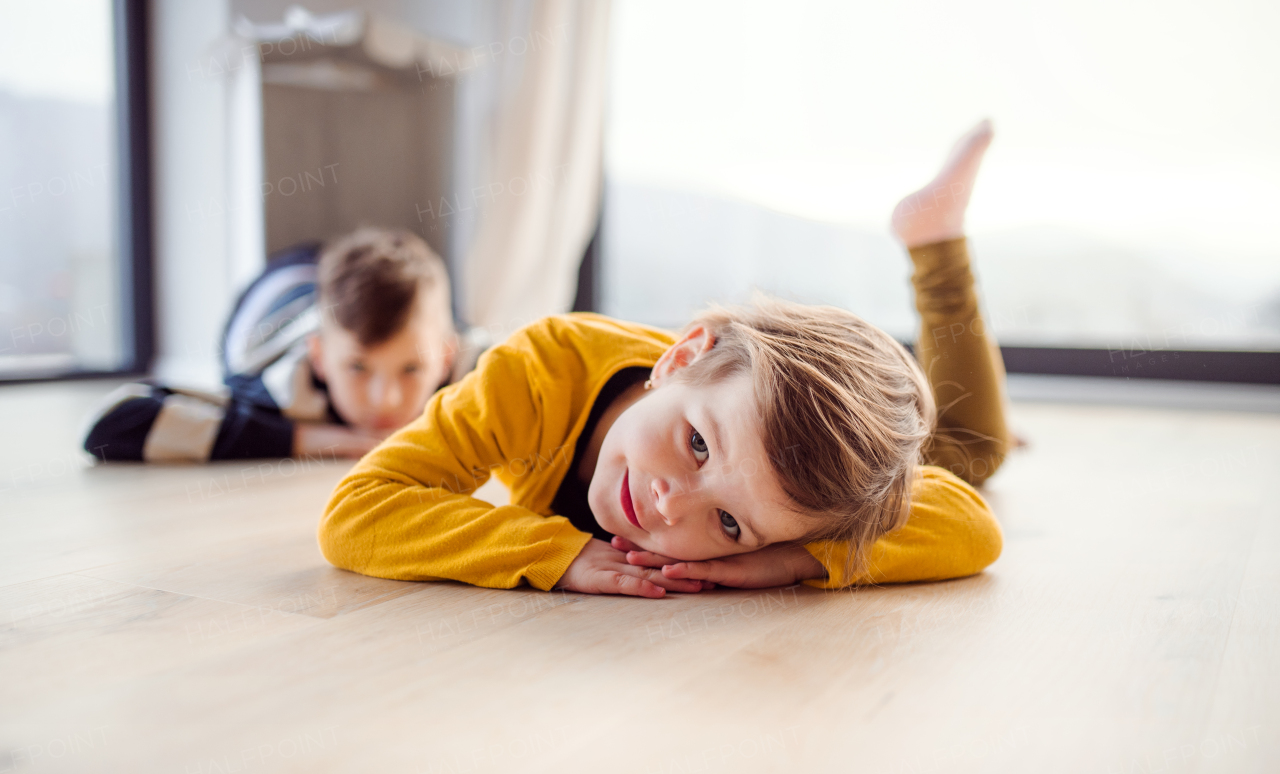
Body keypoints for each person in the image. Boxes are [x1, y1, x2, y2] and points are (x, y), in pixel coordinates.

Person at [318, 121, 1011, 594]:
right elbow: (356, 512)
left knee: (966, 454)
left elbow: (972, 525)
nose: (672, 503)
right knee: (973, 446)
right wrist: (555, 556)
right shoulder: (534, 372)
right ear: (681, 357)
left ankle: (936, 238)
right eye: (697, 443)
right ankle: (936, 244)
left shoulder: (774, 486)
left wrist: (793, 558)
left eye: (731, 524)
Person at [83, 228, 476, 462]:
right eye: (357, 368)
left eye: (412, 369)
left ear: (445, 358)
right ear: (319, 358)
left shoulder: (467, 362)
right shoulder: (273, 385)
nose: (384, 400)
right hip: (282, 290)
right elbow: (111, 425)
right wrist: (315, 439)